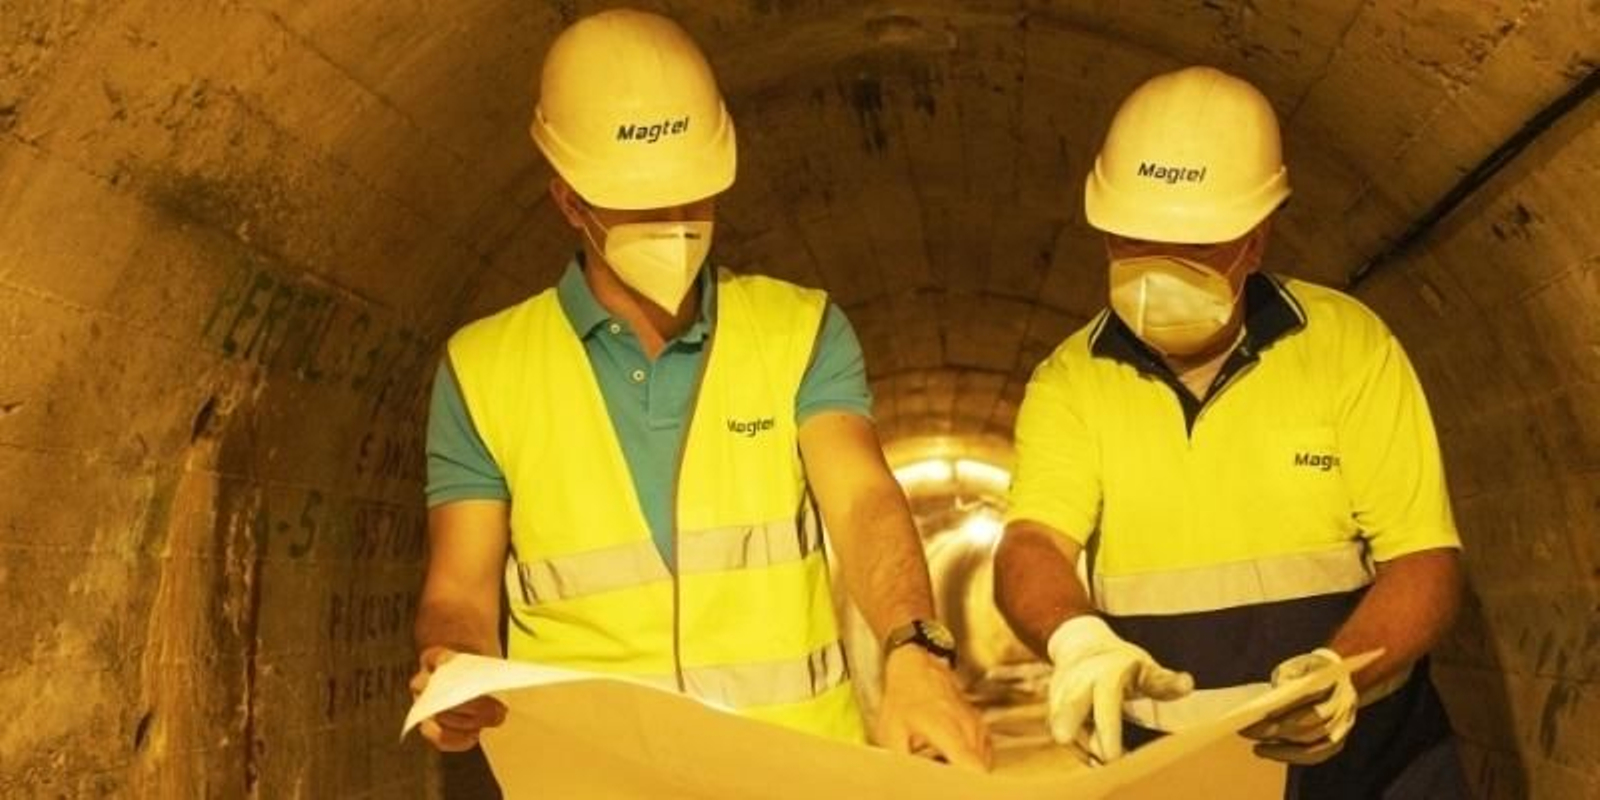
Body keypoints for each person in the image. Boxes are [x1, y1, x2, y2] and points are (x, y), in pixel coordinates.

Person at [407, 8, 989, 771]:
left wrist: (915, 647)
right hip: (596, 784)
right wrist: (455, 667)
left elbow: (863, 502)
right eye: (645, 205)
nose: (678, 223)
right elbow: (460, 591)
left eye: (695, 196)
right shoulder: (483, 370)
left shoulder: (798, 332)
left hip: (797, 776)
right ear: (569, 202)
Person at [994, 66, 1469, 798]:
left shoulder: (1346, 347)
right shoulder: (1071, 382)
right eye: (1134, 241)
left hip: (1370, 771)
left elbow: (1425, 566)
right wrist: (1077, 642)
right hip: (1179, 777)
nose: (1158, 272)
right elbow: (1031, 546)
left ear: (1256, 239)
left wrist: (1342, 671)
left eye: (1194, 248)